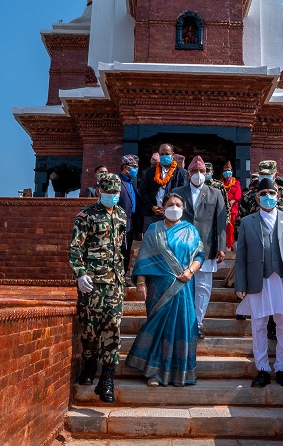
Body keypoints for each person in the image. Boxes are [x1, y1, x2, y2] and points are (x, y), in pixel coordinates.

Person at [126, 192, 203, 386]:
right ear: (163, 207)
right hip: (158, 287)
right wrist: (141, 283)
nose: (174, 207)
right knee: (159, 326)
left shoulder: (191, 230)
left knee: (182, 326)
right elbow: (143, 258)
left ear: (183, 209)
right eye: (170, 204)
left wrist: (190, 272)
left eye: (178, 204)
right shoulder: (153, 230)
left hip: (183, 285)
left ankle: (180, 374)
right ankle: (154, 372)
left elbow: (200, 256)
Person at [234, 178, 283, 389]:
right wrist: (240, 284)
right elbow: (241, 256)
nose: (268, 196)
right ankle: (263, 369)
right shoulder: (248, 222)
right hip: (258, 279)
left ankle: (282, 368)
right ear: (257, 197)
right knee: (259, 325)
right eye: (263, 193)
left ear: (278, 196)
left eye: (271, 193)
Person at [68, 172, 127, 403]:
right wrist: (80, 274)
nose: (113, 196)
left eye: (116, 192)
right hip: (92, 282)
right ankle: (90, 364)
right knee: (90, 327)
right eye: (109, 192)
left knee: (113, 325)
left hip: (115, 282)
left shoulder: (122, 215)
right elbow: (75, 247)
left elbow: (121, 247)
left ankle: (108, 378)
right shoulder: (86, 215)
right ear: (100, 191)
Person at [169, 156, 228, 339]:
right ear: (188, 174)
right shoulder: (177, 192)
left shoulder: (215, 193)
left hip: (206, 247)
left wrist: (221, 246)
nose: (199, 175)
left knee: (202, 288)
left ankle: (197, 324)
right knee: (180, 286)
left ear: (207, 174)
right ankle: (181, 323)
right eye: (195, 171)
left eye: (202, 171)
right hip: (181, 246)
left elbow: (220, 221)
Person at [119, 155, 139, 279]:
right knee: (119, 251)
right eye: (134, 167)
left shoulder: (130, 183)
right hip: (120, 223)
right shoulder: (118, 182)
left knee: (126, 251)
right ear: (126, 167)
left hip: (130, 223)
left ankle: (123, 275)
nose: (136, 170)